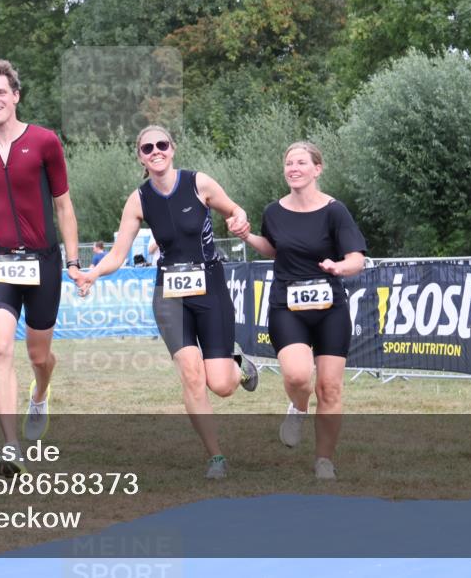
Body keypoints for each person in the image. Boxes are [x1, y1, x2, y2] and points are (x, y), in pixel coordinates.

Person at [77, 125, 257, 479]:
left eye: (161, 144)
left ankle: (241, 367)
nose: (155, 151)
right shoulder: (139, 200)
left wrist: (239, 220)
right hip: (170, 295)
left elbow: (234, 211)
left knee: (221, 385)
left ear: (172, 148)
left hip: (210, 288)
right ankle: (215, 457)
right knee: (191, 374)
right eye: (147, 148)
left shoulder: (198, 183)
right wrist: (92, 274)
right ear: (140, 157)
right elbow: (117, 254)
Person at [0, 59, 83, 477]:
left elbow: (63, 206)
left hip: (44, 262)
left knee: (39, 355)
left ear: (15, 96)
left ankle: (40, 394)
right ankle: (10, 446)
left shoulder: (45, 141)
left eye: (0, 92)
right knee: (1, 347)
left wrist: (74, 261)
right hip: (2, 262)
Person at [241, 141, 366, 480]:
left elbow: (357, 259)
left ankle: (324, 460)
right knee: (298, 376)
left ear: (317, 169)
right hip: (287, 306)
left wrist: (338, 267)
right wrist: (248, 236)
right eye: (289, 163)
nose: (293, 169)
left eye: (301, 163)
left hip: (330, 308)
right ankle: (298, 407)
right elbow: (274, 249)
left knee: (330, 388)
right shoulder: (273, 212)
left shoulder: (335, 211)